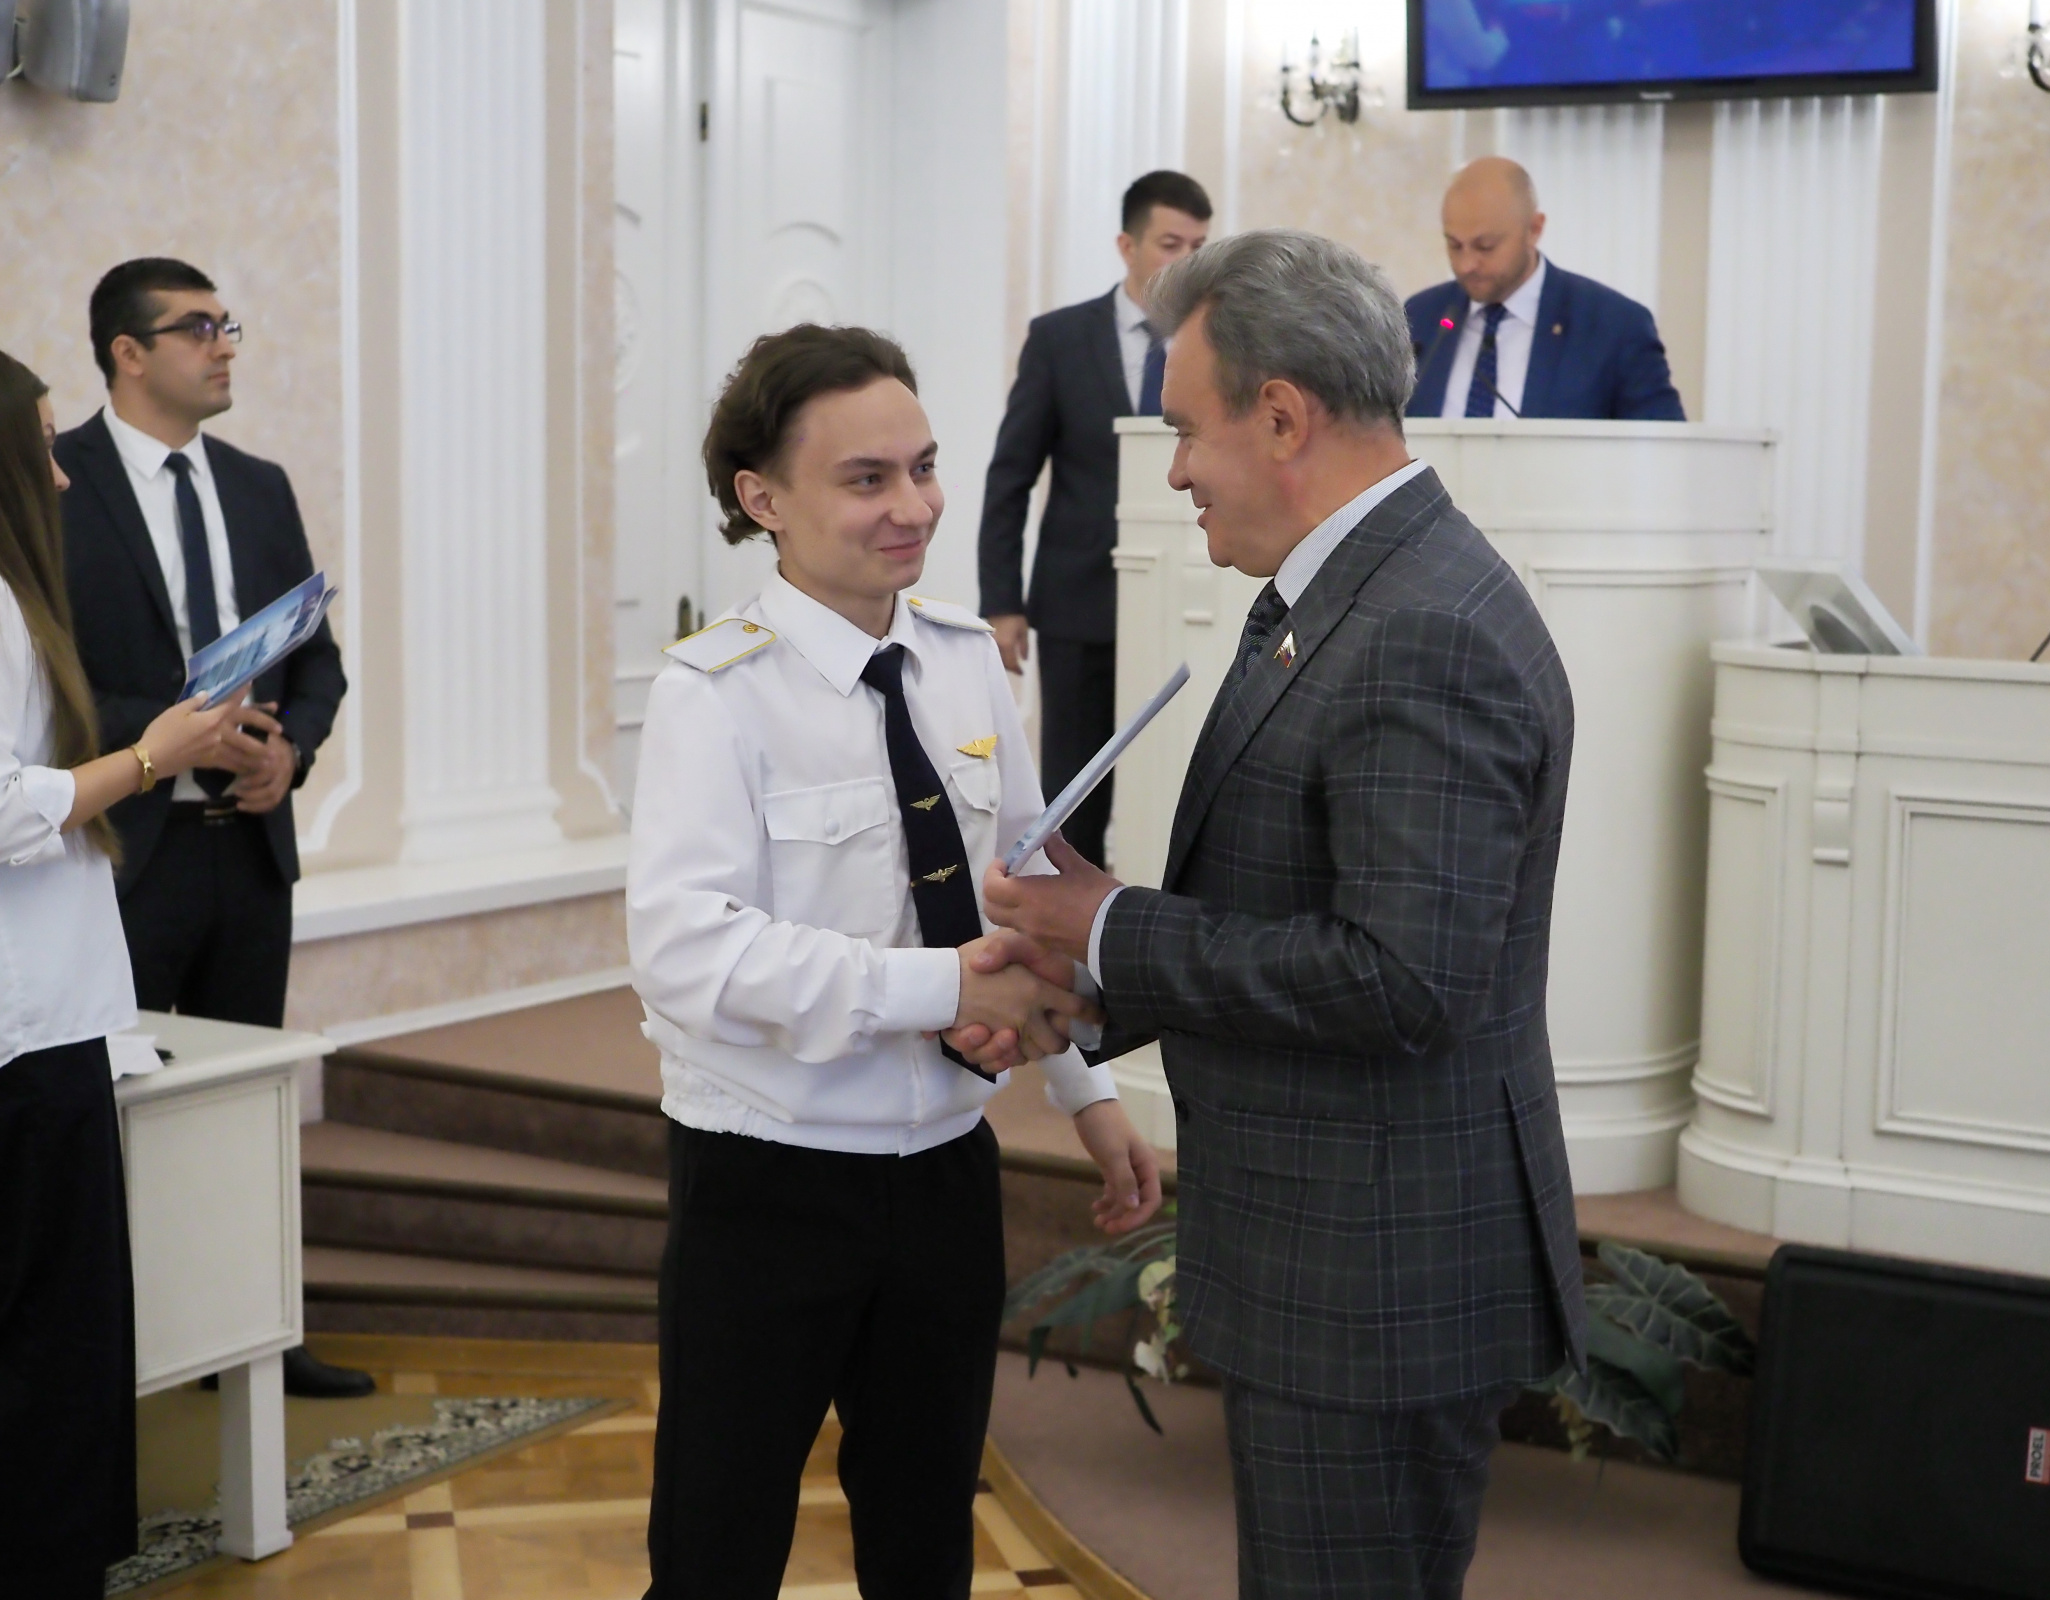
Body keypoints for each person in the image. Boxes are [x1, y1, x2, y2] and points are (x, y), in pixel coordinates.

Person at [983, 231, 1588, 1598]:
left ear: (1280, 416)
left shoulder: (1420, 629)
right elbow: (1281, 903)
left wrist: (1111, 927)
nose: (1175, 471)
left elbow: (1400, 979)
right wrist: (1085, 982)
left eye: (1185, 431)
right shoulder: (1344, 592)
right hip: (1331, 1260)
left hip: (1372, 1287)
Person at [629, 323, 1163, 1599]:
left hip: (943, 1175)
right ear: (763, 497)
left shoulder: (967, 662)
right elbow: (689, 953)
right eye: (867, 479)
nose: (915, 507)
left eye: (924, 467)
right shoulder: (714, 693)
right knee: (716, 1546)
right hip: (769, 1175)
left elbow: (1027, 895)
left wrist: (1087, 1091)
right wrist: (943, 988)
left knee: (926, 1538)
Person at [55, 258, 368, 1400]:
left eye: (229, 324)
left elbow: (317, 663)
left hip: (248, 848)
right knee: (118, 1109)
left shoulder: (258, 485)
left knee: (247, 1105)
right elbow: (49, 680)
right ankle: (119, 1347)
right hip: (124, 852)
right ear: (128, 353)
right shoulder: (59, 482)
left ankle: (257, 1341)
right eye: (197, 327)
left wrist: (290, 752)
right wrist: (179, 736)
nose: (224, 344)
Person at [0, 350, 241, 1598]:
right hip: (26, 1028)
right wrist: (151, 757)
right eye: (41, 446)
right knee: (52, 1338)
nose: (58, 473)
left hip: (42, 1015)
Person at [977, 170, 1213, 865]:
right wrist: (1002, 602)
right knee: (1075, 793)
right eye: (1171, 244)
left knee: (1173, 779)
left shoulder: (1218, 341)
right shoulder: (1059, 338)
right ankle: (1064, 921)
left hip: (1184, 601)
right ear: (1127, 246)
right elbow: (1010, 476)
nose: (1187, 261)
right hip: (1077, 605)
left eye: (1199, 246)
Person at [1404, 156, 1685, 422]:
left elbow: (1661, 444)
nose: (1466, 265)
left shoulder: (1615, 327)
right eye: (1454, 245)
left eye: (1485, 246)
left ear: (1534, 230)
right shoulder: (1421, 318)